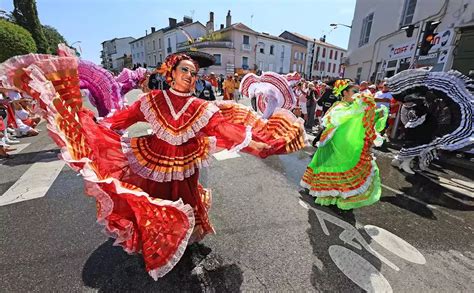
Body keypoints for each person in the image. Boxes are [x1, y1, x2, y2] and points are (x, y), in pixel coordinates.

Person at [1, 51, 306, 280]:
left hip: (185, 165)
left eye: (194, 72)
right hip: (153, 162)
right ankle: (158, 240)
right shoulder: (152, 100)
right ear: (170, 74)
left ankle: (180, 239)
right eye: (184, 71)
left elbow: (232, 131)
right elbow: (119, 120)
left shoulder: (202, 108)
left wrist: (266, 143)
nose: (189, 76)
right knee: (155, 201)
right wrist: (93, 125)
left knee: (185, 200)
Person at [301, 79, 388, 210]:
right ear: (345, 92)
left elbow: (360, 119)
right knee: (334, 166)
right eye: (354, 91)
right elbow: (343, 118)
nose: (357, 94)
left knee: (342, 166)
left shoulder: (353, 107)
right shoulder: (339, 106)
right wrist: (361, 107)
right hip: (334, 144)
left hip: (344, 144)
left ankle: (338, 193)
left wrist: (376, 113)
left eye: (358, 91)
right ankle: (327, 194)